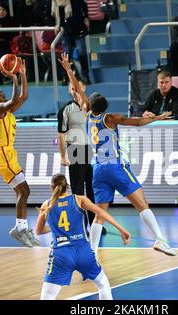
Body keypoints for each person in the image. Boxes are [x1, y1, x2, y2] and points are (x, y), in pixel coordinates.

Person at [59, 54, 177, 257]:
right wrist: (158, 117)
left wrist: (69, 71)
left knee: (100, 213)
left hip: (98, 169)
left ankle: (92, 253)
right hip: (115, 166)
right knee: (141, 203)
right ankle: (160, 239)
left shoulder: (86, 115)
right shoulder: (110, 118)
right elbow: (138, 122)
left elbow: (78, 92)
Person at [0, 60, 40, 248]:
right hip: (2, 154)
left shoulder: (8, 112)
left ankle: (21, 228)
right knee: (25, 190)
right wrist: (13, 78)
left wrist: (22, 75)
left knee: (21, 192)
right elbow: (13, 100)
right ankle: (20, 229)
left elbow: (23, 97)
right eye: (0, 94)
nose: (3, 96)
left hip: (7, 154)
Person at [36, 174, 131, 300]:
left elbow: (39, 231)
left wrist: (55, 227)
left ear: (51, 187)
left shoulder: (46, 205)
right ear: (67, 186)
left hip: (61, 255)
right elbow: (101, 213)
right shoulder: (79, 199)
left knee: (48, 296)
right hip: (83, 252)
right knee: (103, 286)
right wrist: (122, 229)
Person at [57, 74, 101, 234]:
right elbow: (60, 134)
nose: (75, 90)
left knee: (91, 189)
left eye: (78, 87)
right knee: (77, 191)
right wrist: (63, 156)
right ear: (70, 91)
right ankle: (79, 227)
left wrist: (69, 71)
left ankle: (94, 224)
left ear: (83, 89)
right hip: (74, 150)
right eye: (72, 88)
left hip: (87, 151)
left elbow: (83, 98)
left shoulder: (87, 106)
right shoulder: (66, 109)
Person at [53, 0, 91, 84]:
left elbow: (83, 5)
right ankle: (65, 77)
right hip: (66, 30)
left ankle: (85, 76)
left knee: (82, 52)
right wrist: (57, 24)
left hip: (79, 28)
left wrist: (86, 17)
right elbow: (57, 16)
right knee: (66, 53)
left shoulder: (77, 2)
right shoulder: (58, 2)